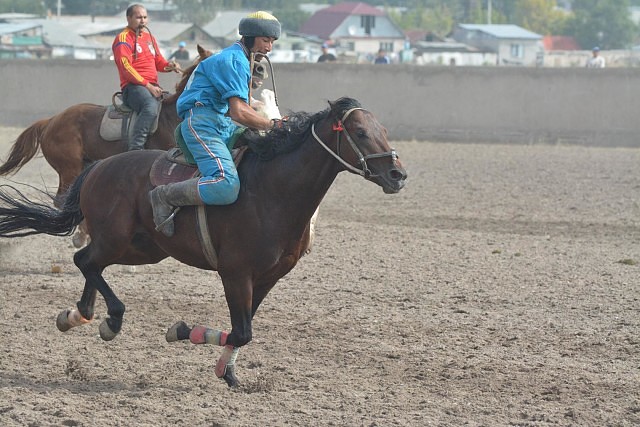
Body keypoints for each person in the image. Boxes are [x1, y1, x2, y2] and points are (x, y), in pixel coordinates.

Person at [150, 11, 285, 237]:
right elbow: (239, 112)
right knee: (226, 186)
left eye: (272, 42)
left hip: (222, 123)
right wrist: (272, 125)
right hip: (202, 123)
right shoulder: (233, 61)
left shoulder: (241, 60)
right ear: (250, 37)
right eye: (265, 40)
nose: (269, 48)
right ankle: (164, 195)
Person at [112, 4, 180, 151]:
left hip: (152, 86)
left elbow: (159, 62)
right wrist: (148, 86)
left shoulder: (150, 38)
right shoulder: (122, 38)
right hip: (133, 87)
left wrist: (170, 66)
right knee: (150, 107)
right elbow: (126, 67)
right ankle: (136, 148)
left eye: (144, 17)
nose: (142, 21)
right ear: (128, 18)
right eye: (138, 17)